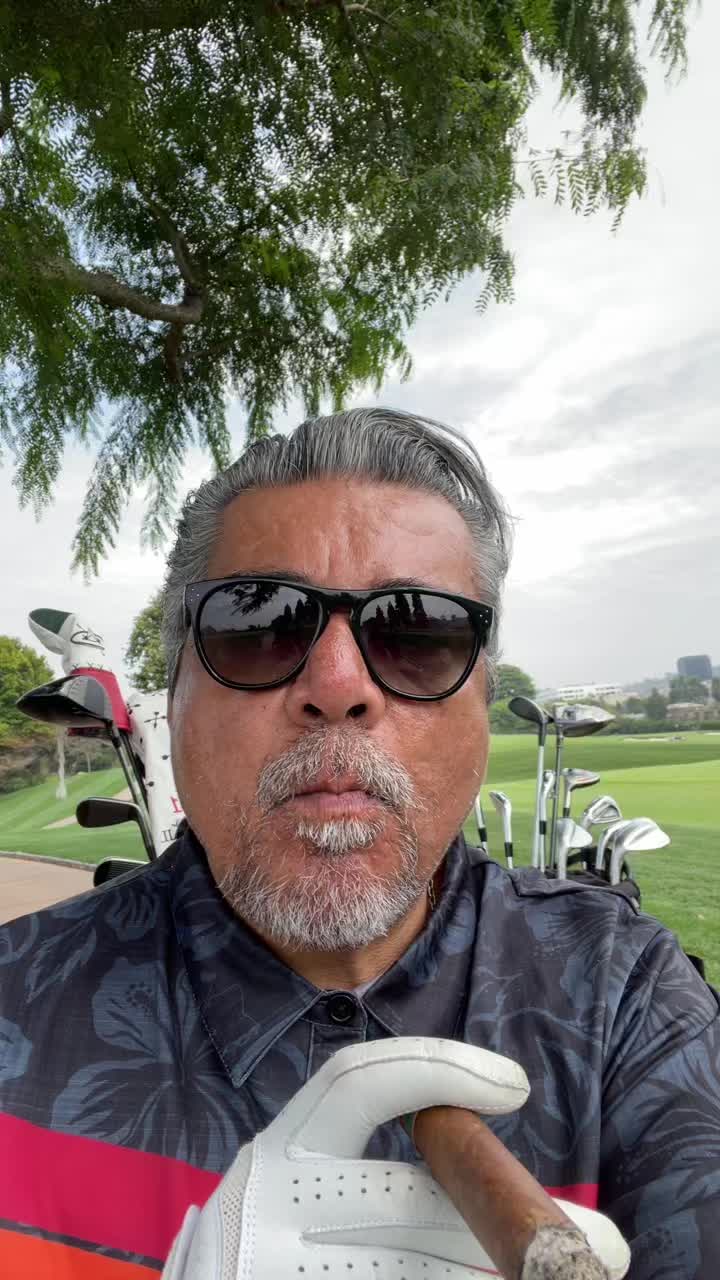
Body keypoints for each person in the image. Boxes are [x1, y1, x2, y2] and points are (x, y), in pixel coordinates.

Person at [0, 408, 717, 1279]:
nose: (337, 685)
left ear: (483, 701)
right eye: (259, 625)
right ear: (176, 686)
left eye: (418, 634)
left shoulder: (628, 998)